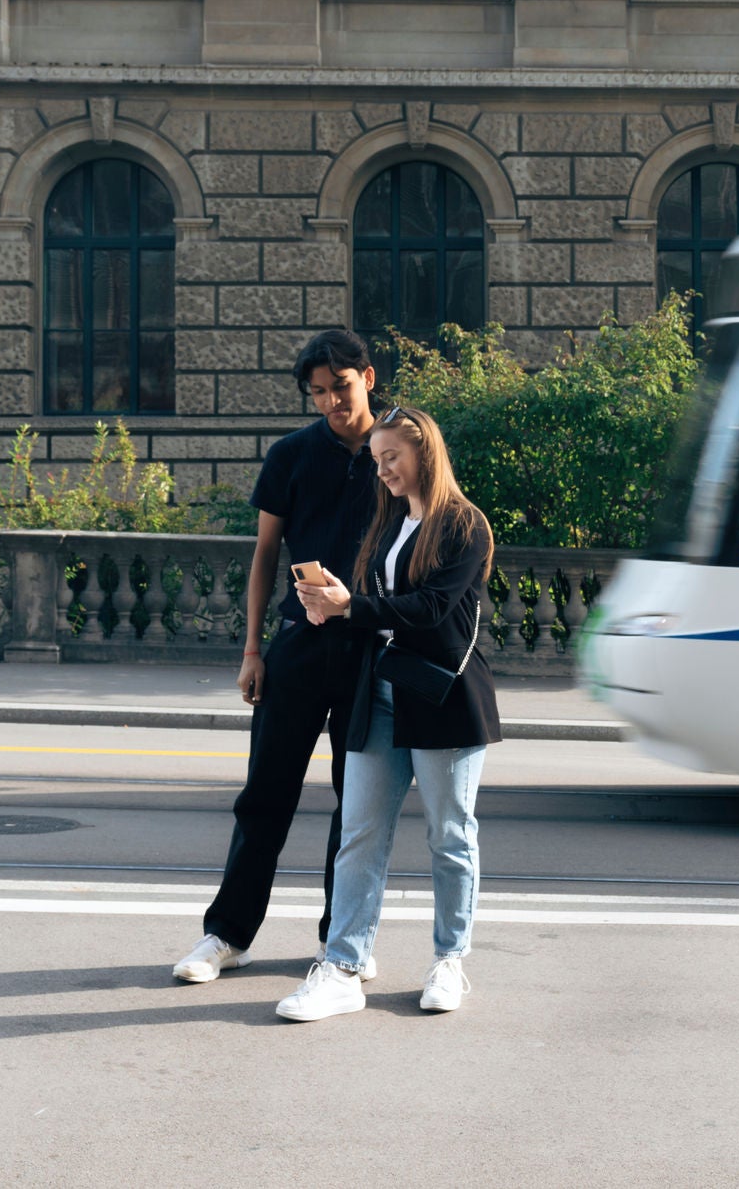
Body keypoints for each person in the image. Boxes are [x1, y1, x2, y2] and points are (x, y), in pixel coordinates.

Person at [275, 405, 501, 1022]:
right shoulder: (390, 522)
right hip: (379, 692)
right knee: (360, 833)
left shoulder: (465, 525)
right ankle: (343, 966)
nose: (383, 472)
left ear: (424, 451)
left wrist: (355, 607)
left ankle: (450, 961)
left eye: (392, 458)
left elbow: (428, 609)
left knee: (449, 836)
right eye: (376, 462)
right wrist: (329, 606)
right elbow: (375, 608)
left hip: (442, 698)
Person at [172, 331, 382, 984]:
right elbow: (264, 554)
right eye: (318, 393)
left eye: (339, 389)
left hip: (370, 647)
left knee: (358, 806)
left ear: (367, 378)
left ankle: (344, 941)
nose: (330, 404)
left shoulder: (399, 450)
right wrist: (252, 650)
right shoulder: (291, 455)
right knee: (264, 797)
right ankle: (227, 935)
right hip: (297, 646)